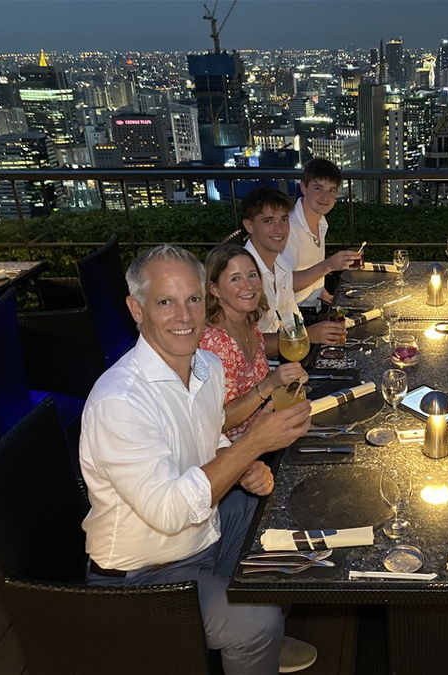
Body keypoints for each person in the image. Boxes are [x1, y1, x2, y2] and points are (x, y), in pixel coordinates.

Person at [80, 244, 316, 674]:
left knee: (282, 516)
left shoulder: (205, 365)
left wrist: (244, 466)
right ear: (137, 309)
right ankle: (258, 635)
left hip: (202, 534)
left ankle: (262, 642)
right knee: (256, 618)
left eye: (191, 300)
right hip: (145, 576)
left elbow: (211, 439)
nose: (184, 317)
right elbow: (170, 513)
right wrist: (252, 446)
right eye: (165, 302)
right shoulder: (120, 400)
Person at [200, 243, 307, 441]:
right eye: (235, 279)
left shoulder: (248, 320)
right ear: (215, 289)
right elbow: (220, 422)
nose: (248, 285)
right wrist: (270, 383)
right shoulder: (213, 343)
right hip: (239, 451)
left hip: (268, 429)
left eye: (252, 275)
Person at [241, 185, 346, 345]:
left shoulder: (279, 265)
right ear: (249, 226)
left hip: (289, 352)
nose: (280, 229)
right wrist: (308, 335)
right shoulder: (242, 276)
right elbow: (244, 344)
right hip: (264, 366)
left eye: (284, 219)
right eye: (268, 221)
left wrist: (315, 331)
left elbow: (292, 319)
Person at [283, 159, 363, 321]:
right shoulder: (288, 227)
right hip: (292, 317)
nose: (326, 197)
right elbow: (285, 284)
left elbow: (309, 269)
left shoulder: (320, 222)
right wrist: (328, 265)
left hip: (316, 306)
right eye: (318, 188)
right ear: (303, 187)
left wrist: (322, 293)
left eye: (332, 190)